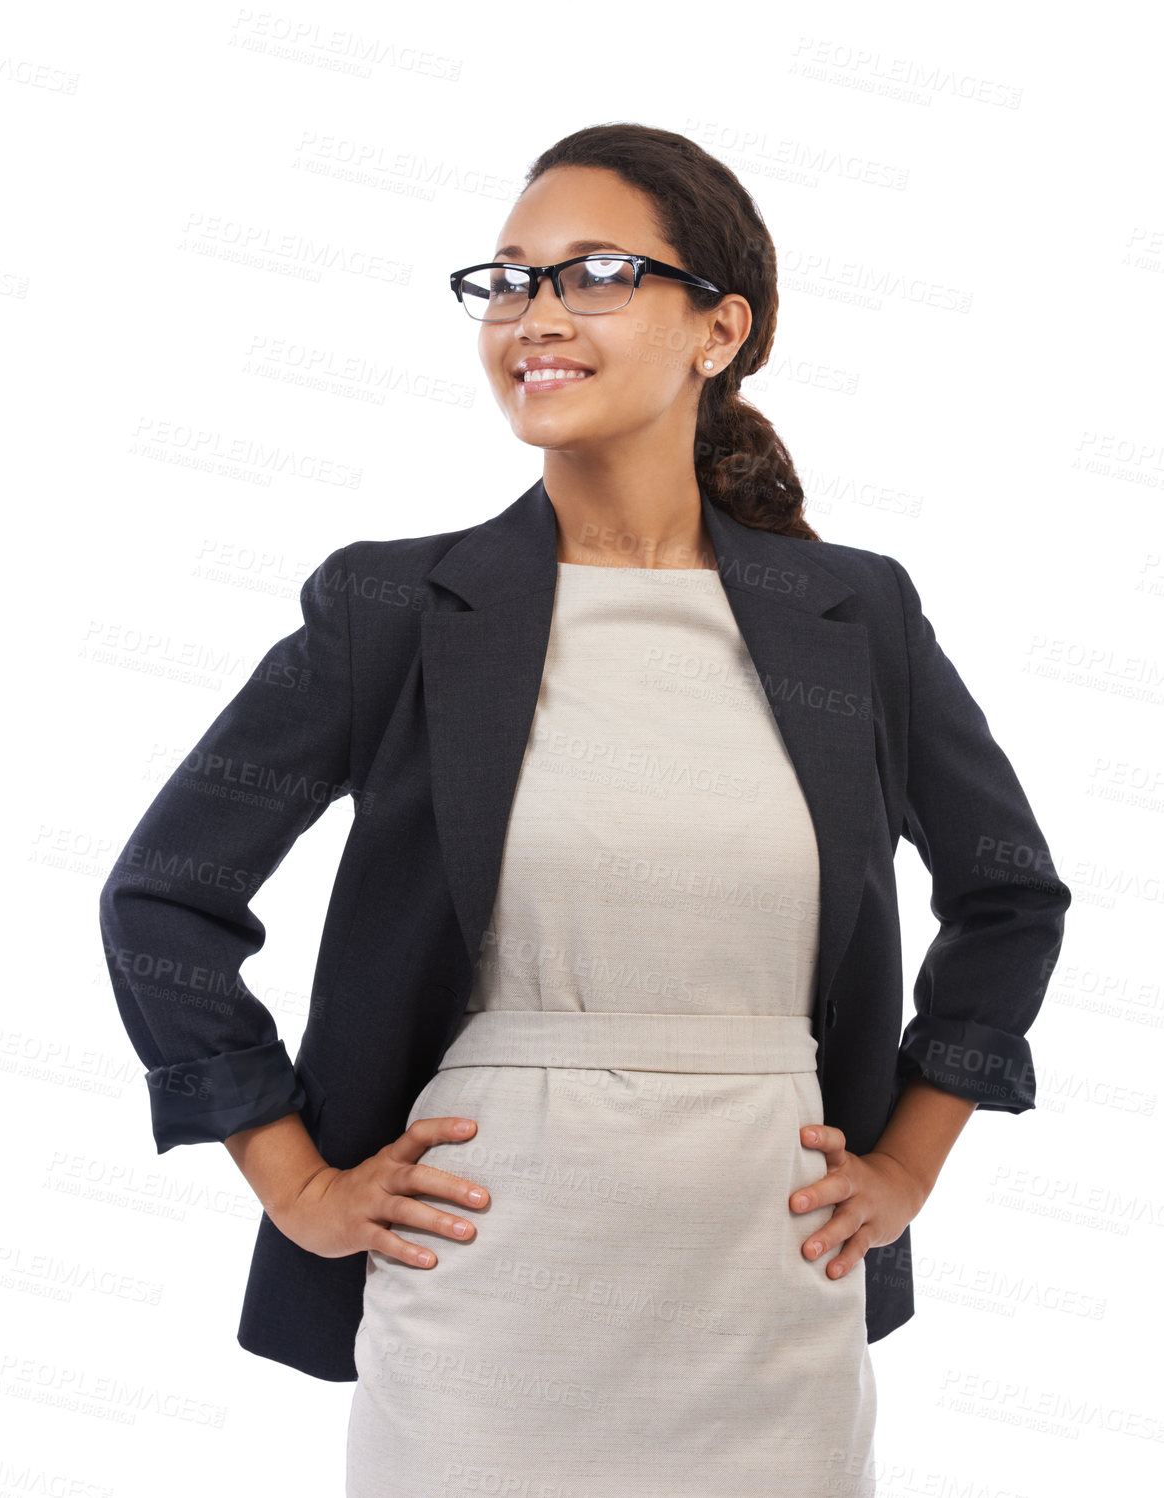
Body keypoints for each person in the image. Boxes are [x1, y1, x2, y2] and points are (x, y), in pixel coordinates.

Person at [98, 124, 1071, 1497]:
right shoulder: (391, 609)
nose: (532, 317)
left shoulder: (851, 617)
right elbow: (163, 898)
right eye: (505, 281)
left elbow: (1006, 892)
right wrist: (298, 1181)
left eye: (595, 274)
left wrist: (906, 1163)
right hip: (487, 1271)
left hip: (767, 1269)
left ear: (716, 330)